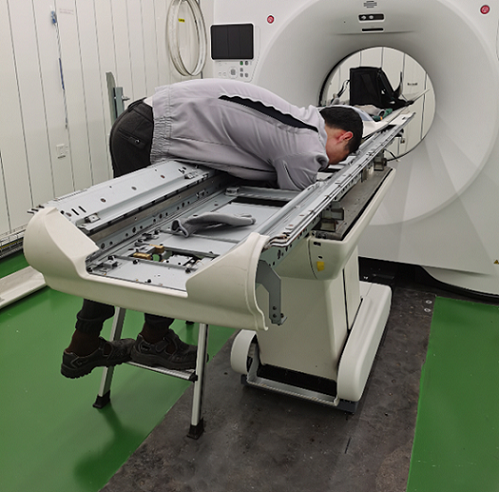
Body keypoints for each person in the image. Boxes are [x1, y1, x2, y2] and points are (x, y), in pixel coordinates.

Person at [61, 78, 363, 379]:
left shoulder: (297, 118)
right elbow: (295, 209)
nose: (329, 164)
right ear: (344, 137)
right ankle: (149, 341)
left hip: (140, 120)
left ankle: (85, 344)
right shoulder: (306, 145)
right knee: (139, 241)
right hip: (150, 132)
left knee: (121, 240)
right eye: (342, 156)